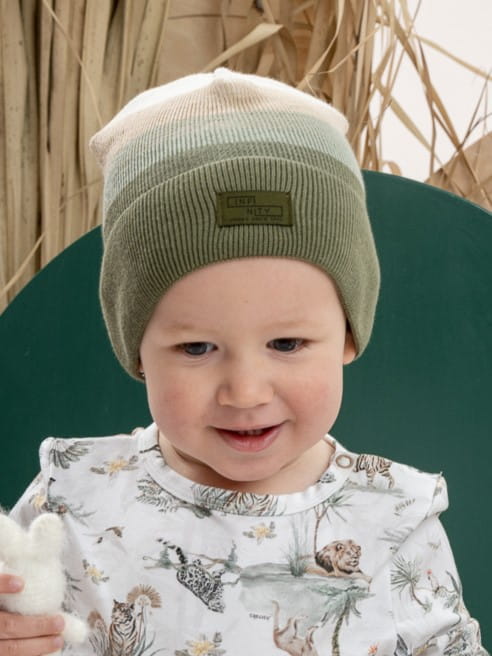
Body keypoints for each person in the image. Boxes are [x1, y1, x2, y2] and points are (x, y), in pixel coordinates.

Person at [0, 68, 487, 656]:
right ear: (137, 351)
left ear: (348, 337)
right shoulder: (70, 500)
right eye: (196, 348)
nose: (246, 391)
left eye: (287, 344)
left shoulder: (395, 519)